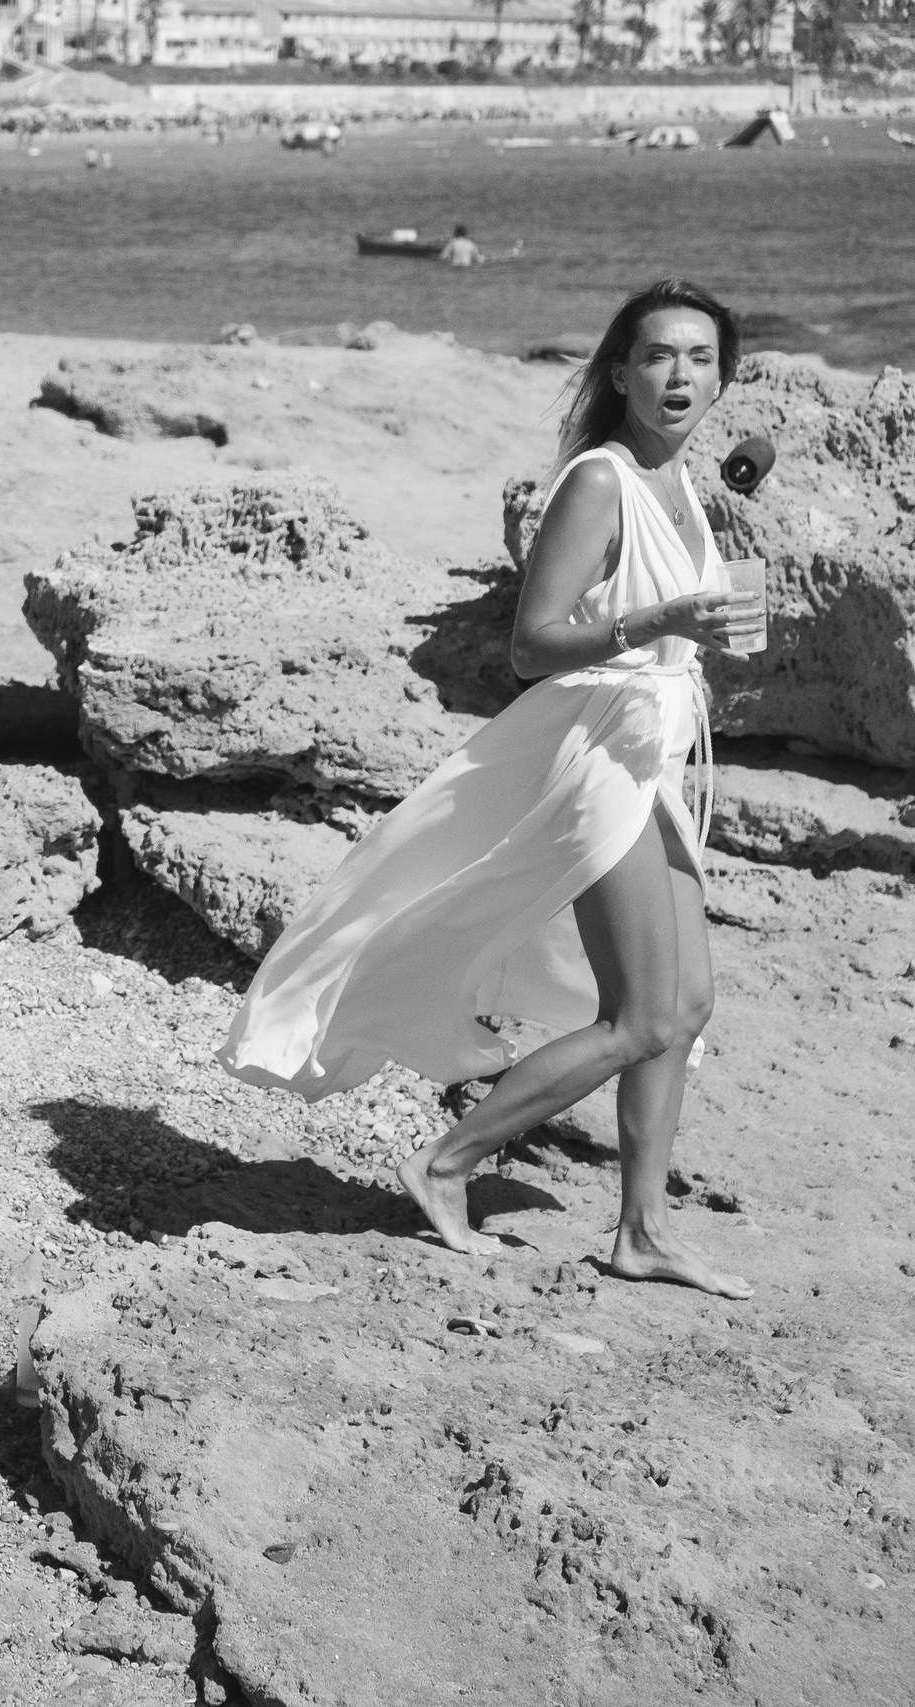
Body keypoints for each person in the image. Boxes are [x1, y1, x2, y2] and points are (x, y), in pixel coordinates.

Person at [218, 279, 763, 1300]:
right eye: (656, 356)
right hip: (598, 755)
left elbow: (671, 620)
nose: (678, 373)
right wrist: (655, 626)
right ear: (621, 374)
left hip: (654, 754)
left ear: (723, 376)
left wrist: (699, 634)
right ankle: (443, 1162)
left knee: (685, 1007)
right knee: (640, 1016)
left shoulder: (680, 485)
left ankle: (640, 1232)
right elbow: (530, 647)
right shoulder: (598, 482)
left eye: (698, 357)